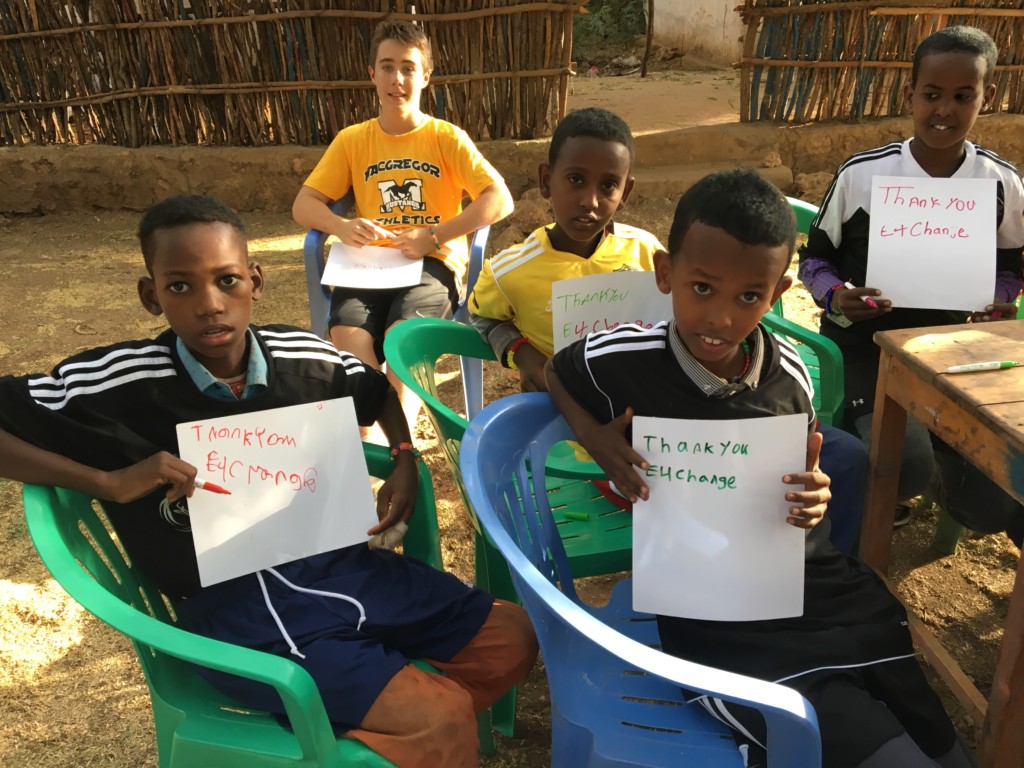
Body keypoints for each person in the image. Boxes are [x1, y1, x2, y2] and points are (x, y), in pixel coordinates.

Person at [0, 195, 536, 768]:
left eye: (227, 280)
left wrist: (405, 456)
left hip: (343, 566)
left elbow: (374, 390)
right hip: (234, 609)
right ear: (151, 296)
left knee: (514, 640)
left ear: (254, 281)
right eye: (180, 287)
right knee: (440, 719)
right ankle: (404, 731)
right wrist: (106, 481)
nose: (210, 305)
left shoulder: (304, 357)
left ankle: (380, 728)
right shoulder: (117, 383)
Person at [546, 170, 974, 768]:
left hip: (811, 588)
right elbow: (557, 373)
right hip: (714, 616)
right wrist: (596, 437)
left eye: (749, 296)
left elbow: (796, 481)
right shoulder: (623, 357)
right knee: (880, 749)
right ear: (666, 273)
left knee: (934, 737)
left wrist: (814, 499)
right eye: (702, 288)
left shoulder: (789, 373)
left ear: (777, 295)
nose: (720, 317)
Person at [470, 106, 866, 554]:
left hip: (676, 399)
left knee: (843, 458)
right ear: (546, 180)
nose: (590, 201)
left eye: (608, 186)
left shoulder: (643, 250)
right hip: (603, 410)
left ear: (627, 190)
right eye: (575, 180)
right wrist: (522, 353)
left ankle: (823, 562)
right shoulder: (510, 269)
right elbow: (482, 315)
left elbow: (684, 320)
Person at [797, 25, 1024, 547]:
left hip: (957, 353)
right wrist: (837, 297)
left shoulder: (1001, 184)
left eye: (963, 96)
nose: (944, 110)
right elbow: (815, 260)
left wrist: (1000, 300)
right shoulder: (863, 176)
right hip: (865, 347)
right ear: (910, 96)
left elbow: (1011, 267)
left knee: (990, 506)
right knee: (903, 468)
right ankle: (907, 480)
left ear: (985, 98)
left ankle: (950, 476)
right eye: (931, 94)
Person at [292, 20, 514, 430]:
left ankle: (397, 447)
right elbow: (304, 205)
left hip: (431, 263)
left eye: (409, 68)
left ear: (426, 76)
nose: (398, 79)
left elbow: (499, 198)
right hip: (366, 267)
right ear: (371, 74)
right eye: (388, 66)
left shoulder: (446, 138)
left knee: (402, 338)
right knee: (349, 334)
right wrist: (340, 226)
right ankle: (369, 438)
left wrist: (433, 236)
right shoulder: (352, 140)